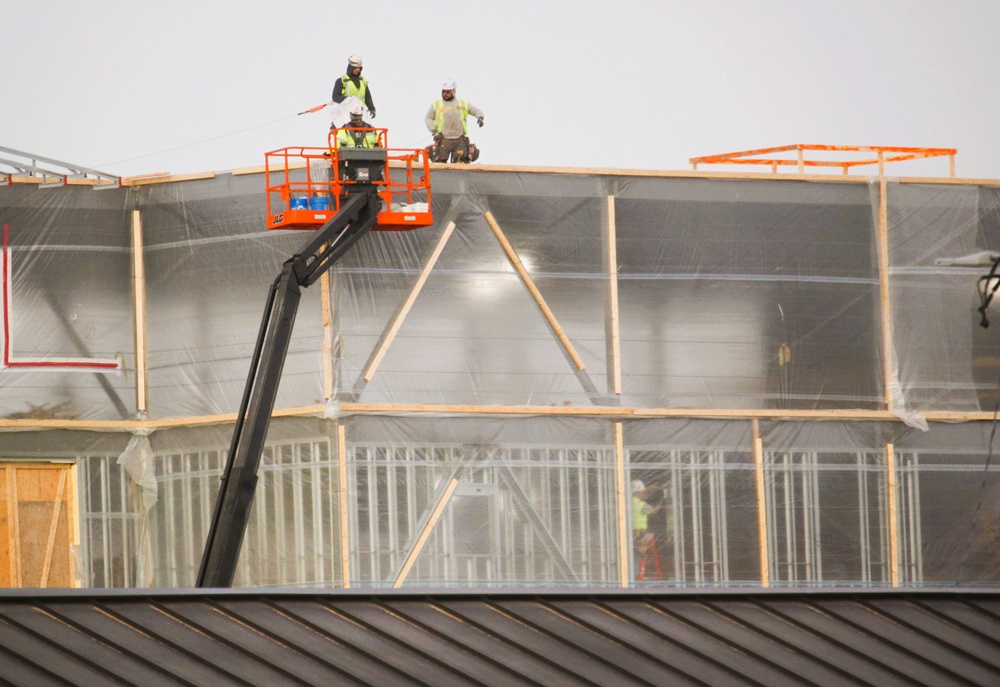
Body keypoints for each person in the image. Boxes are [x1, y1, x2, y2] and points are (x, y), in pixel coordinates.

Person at [424, 78, 484, 163]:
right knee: (439, 164)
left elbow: (475, 110)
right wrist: (435, 132)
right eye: (443, 92)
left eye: (448, 92)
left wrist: (480, 117)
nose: (445, 94)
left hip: (460, 139)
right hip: (443, 140)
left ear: (453, 91)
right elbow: (428, 118)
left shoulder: (462, 104)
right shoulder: (436, 104)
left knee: (461, 164)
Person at [331, 54, 376, 119]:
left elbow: (367, 97)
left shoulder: (362, 81)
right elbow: (335, 97)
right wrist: (346, 99)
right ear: (350, 67)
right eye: (355, 68)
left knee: (369, 128)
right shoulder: (342, 81)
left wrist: (372, 108)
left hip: (361, 115)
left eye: (359, 68)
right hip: (346, 115)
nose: (357, 70)